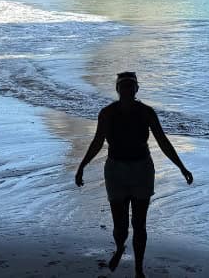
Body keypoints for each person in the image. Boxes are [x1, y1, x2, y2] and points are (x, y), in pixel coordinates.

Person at [76, 72, 193, 277]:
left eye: (131, 86)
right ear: (117, 89)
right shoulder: (107, 113)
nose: (128, 89)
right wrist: (82, 166)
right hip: (115, 171)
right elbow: (97, 142)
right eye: (124, 86)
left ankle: (139, 269)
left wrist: (182, 168)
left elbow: (163, 142)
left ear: (137, 89)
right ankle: (120, 247)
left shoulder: (147, 113)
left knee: (139, 224)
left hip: (142, 170)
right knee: (120, 228)